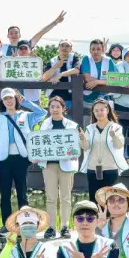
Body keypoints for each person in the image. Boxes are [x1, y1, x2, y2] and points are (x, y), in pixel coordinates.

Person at [0, 88, 48, 227]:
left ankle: (25, 222)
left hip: (21, 158)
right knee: (5, 194)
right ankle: (7, 224)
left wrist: (26, 102)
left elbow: (43, 113)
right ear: (2, 102)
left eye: (11, 98)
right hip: (4, 159)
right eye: (5, 99)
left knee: (22, 192)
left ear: (16, 99)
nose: (8, 101)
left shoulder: (26, 115)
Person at [32, 96, 87, 239]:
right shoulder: (44, 125)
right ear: (48, 109)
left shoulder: (72, 126)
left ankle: (64, 226)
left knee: (65, 197)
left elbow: (83, 147)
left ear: (63, 108)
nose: (55, 109)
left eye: (58, 106)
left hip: (67, 164)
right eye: (52, 107)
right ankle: (50, 227)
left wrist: (81, 139)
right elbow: (37, 143)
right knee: (50, 197)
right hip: (49, 163)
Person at [79, 98, 126, 201]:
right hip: (92, 169)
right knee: (94, 199)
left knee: (108, 200)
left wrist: (114, 136)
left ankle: (108, 217)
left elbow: (119, 145)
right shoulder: (90, 128)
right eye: (96, 110)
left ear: (107, 110)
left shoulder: (116, 127)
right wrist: (82, 139)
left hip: (110, 168)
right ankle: (96, 217)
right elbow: (86, 147)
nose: (99, 113)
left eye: (102, 110)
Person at [0, 11, 65, 56]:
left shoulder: (27, 45)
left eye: (16, 33)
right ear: (7, 35)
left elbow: (41, 33)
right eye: (11, 33)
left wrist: (56, 22)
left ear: (20, 35)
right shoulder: (3, 47)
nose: (14, 35)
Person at [80, 39, 119, 104]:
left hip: (105, 98)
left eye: (98, 49)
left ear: (103, 50)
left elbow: (114, 79)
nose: (96, 52)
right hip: (88, 99)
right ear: (90, 51)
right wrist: (105, 81)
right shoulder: (86, 59)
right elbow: (88, 79)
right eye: (93, 49)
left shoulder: (108, 61)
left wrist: (97, 82)